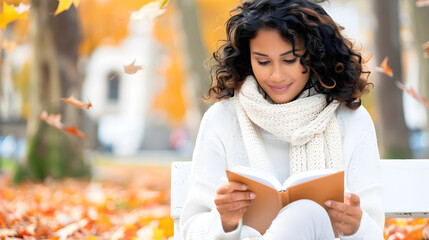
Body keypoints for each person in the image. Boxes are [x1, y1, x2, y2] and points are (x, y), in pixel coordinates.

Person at [180, 0, 384, 239]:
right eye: (263, 62)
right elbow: (192, 229)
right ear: (248, 59)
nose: (276, 75)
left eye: (289, 60)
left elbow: (373, 231)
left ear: (314, 55)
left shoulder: (351, 120)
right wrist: (225, 221)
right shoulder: (223, 119)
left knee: (308, 213)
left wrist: (355, 226)